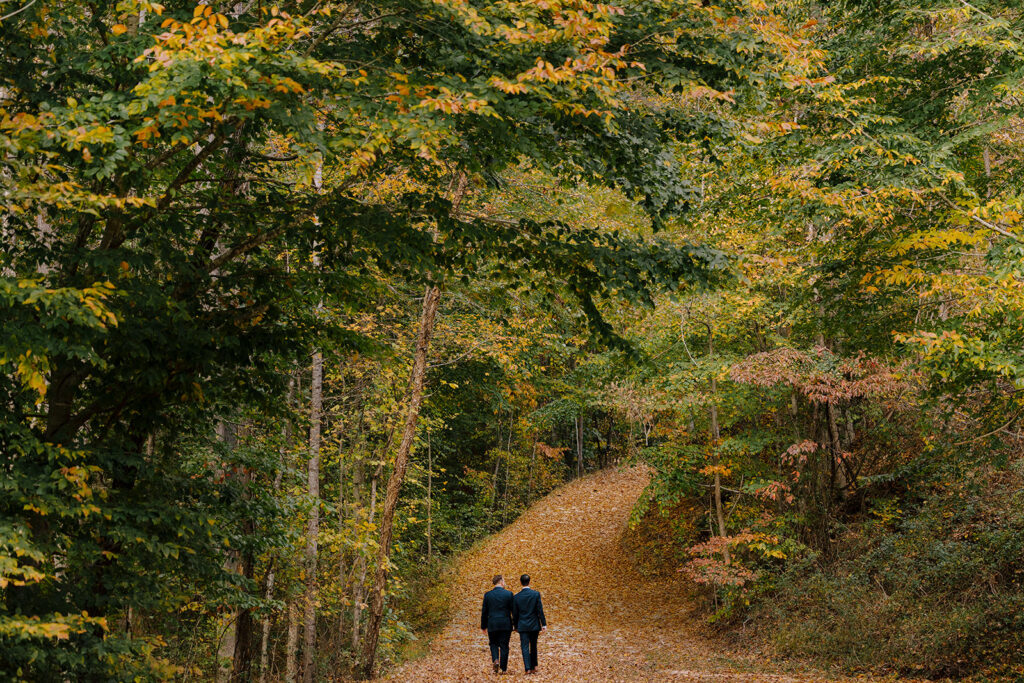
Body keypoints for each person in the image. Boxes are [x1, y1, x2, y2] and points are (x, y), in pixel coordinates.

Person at [512, 573, 546, 675]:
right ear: (529, 581)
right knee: (534, 646)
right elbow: (540, 610)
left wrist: (515, 626)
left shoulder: (516, 597)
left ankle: (527, 668)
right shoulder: (535, 594)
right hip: (534, 624)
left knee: (524, 647)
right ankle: (534, 666)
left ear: (521, 582)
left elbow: (515, 613)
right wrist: (543, 624)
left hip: (522, 625)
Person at [480, 574, 514, 674]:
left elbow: (484, 612)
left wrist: (483, 626)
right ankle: (503, 669)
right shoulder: (509, 594)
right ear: (501, 581)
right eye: (504, 580)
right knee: (504, 645)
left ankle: (495, 659)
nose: (505, 582)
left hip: (492, 623)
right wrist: (515, 624)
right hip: (505, 623)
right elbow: (513, 611)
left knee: (493, 643)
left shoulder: (488, 595)